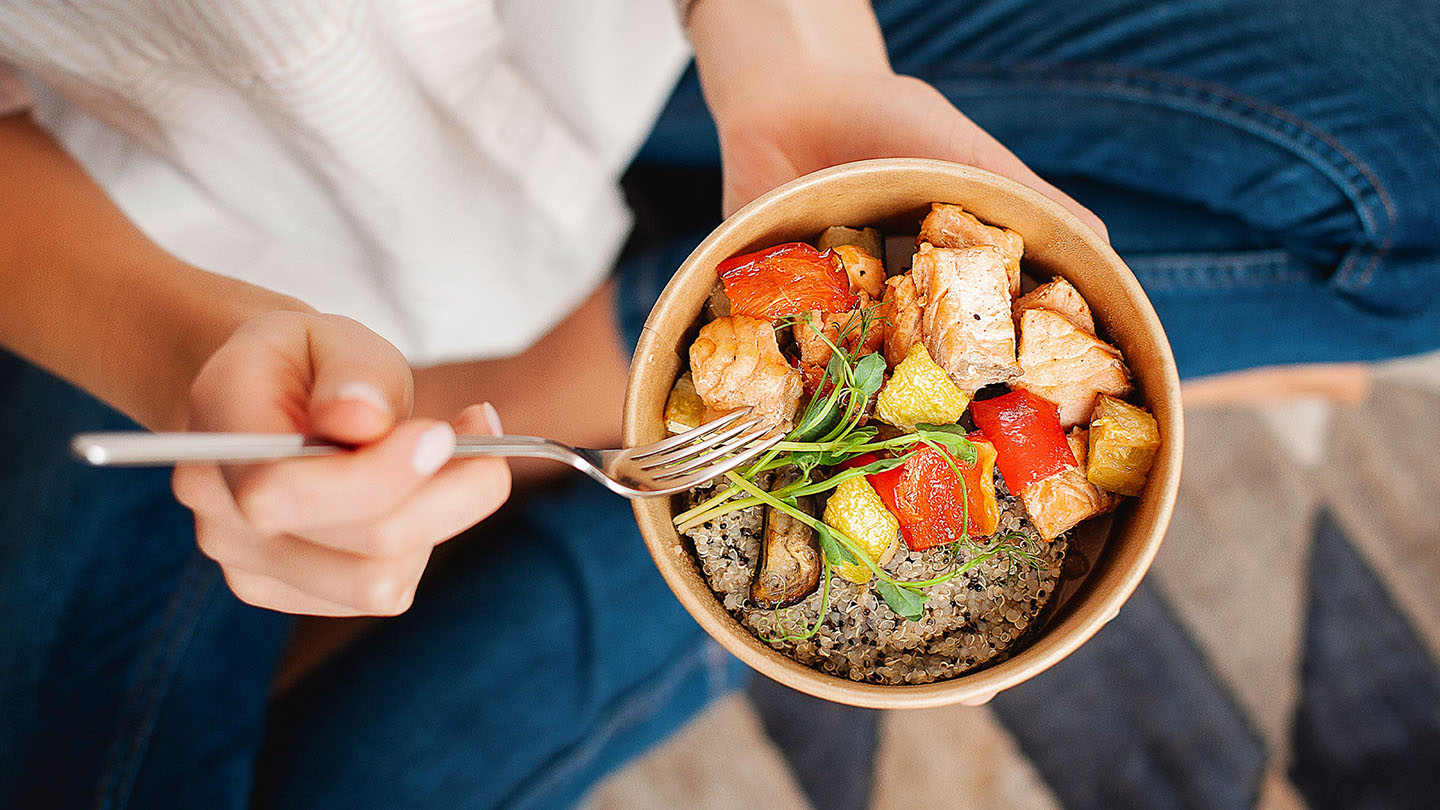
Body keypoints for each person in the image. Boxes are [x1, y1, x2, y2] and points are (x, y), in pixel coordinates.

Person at [1, 0, 1435, 808]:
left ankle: (597, 393)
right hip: (171, 216)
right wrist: (179, 345)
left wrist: (801, 53)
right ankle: (665, 495)